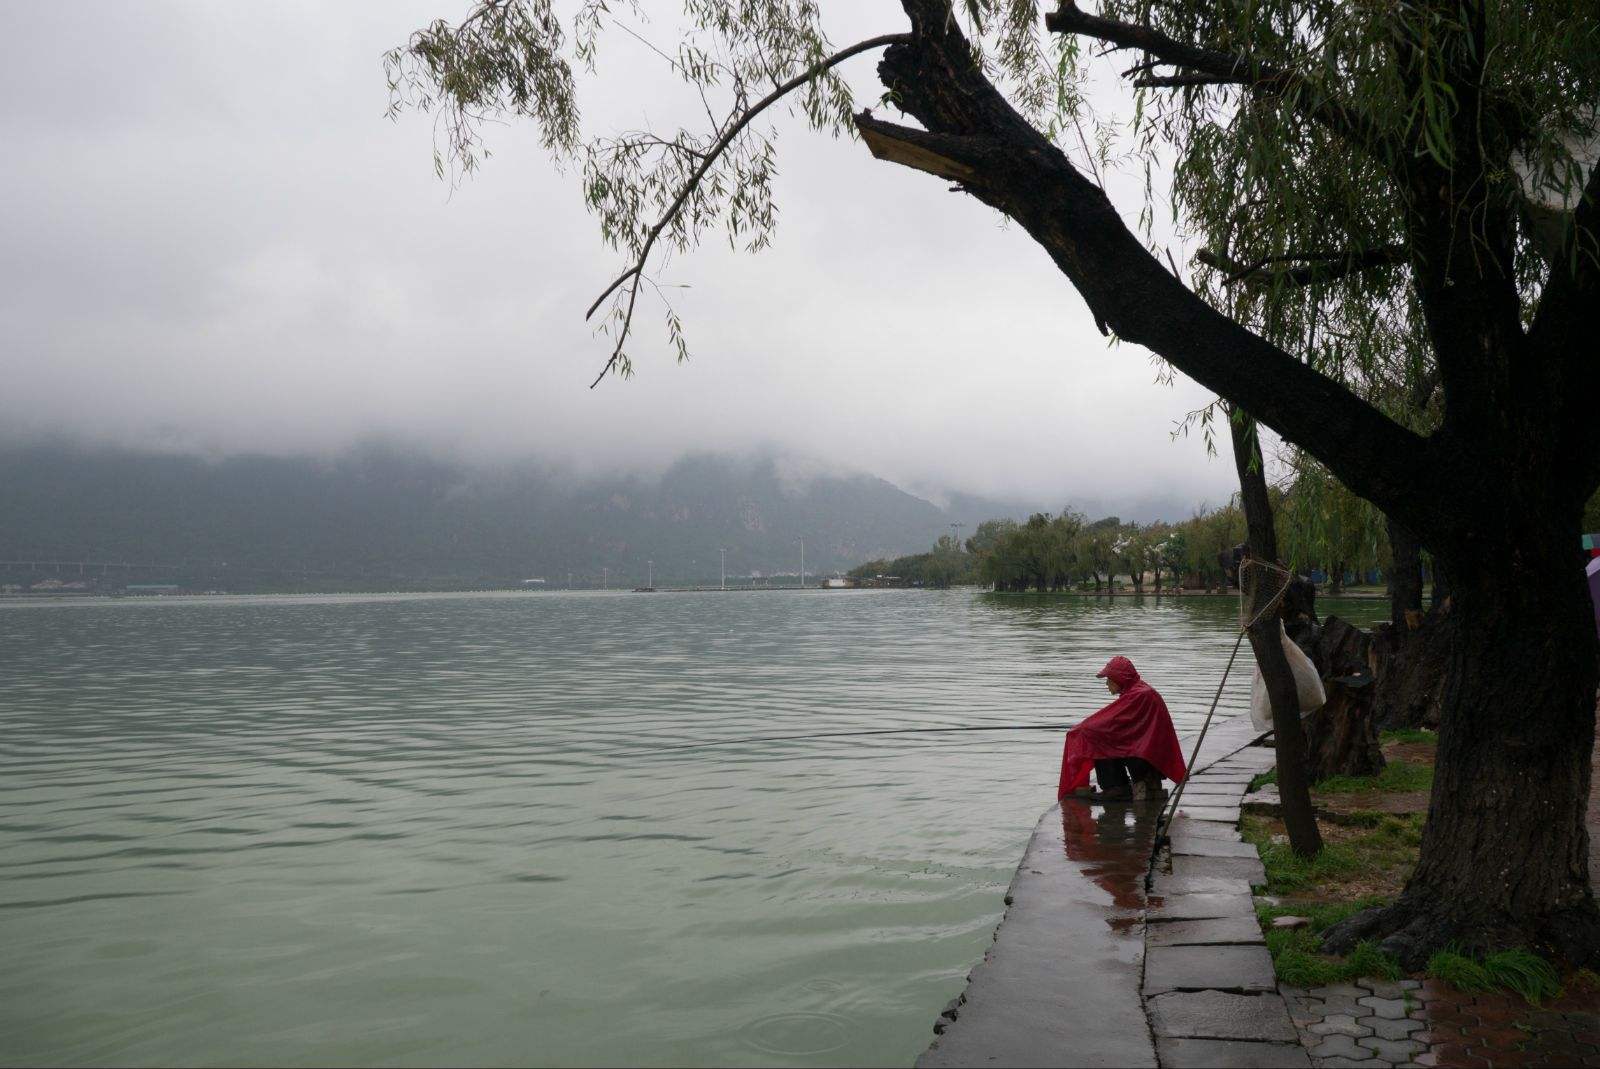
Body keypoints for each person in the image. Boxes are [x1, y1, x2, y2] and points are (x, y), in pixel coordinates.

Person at [1057, 655, 1186, 803]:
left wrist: (1082, 729)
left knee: (1097, 737)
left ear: (1120, 678)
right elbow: (1115, 722)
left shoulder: (1139, 694)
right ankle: (1125, 785)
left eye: (1109, 679)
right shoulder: (1138, 691)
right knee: (1102, 733)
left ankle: (1115, 787)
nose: (1107, 683)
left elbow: (1105, 725)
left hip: (1147, 756)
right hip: (1147, 752)